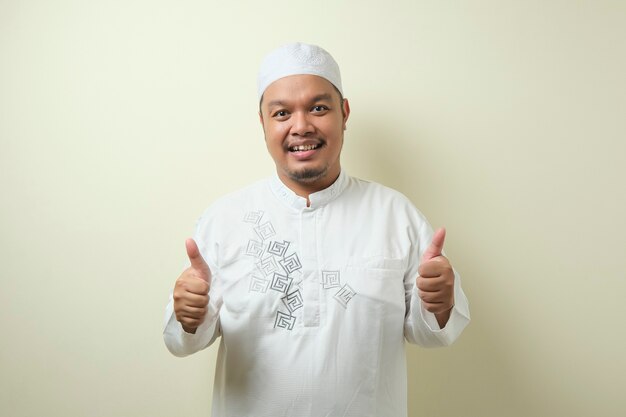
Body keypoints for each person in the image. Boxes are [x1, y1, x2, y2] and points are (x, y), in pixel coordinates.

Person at [163, 42, 470, 417]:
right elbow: (182, 342)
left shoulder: (395, 215)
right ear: (263, 123)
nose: (301, 126)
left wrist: (439, 304)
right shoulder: (224, 219)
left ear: (344, 113)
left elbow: (435, 332)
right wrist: (188, 317)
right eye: (281, 113)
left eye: (318, 108)